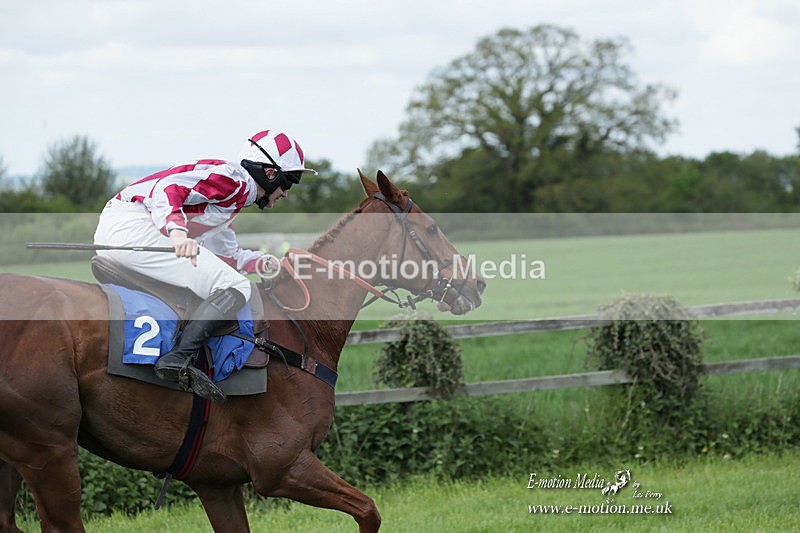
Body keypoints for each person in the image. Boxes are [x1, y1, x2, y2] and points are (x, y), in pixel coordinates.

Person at [94, 129, 316, 402]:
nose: (285, 193)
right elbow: (168, 189)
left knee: (228, 279)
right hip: (131, 226)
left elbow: (227, 256)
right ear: (270, 174)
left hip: (123, 228)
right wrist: (176, 232)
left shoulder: (232, 201)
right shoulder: (235, 181)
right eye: (288, 183)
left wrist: (265, 263)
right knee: (236, 286)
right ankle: (178, 359)